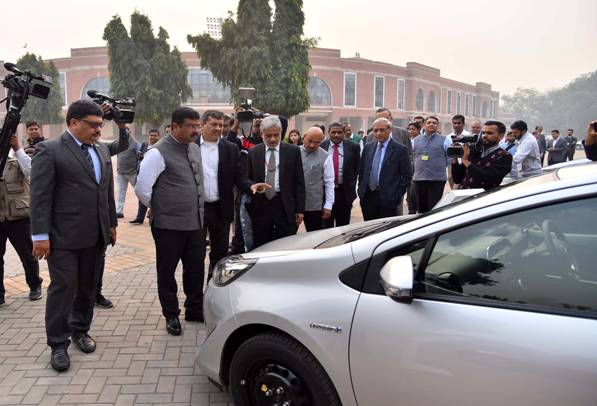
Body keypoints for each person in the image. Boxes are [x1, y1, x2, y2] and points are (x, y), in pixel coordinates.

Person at [30, 100, 117, 372]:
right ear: (73, 123)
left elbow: (106, 190)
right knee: (64, 287)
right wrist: (40, 236)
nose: (98, 130)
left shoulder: (101, 150)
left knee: (88, 287)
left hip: (96, 235)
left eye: (100, 125)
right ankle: (58, 344)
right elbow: (40, 196)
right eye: (93, 125)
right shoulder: (50, 150)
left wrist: (112, 223)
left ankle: (80, 330)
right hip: (63, 238)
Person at [135, 107, 207, 335]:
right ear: (175, 127)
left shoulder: (194, 148)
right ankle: (171, 314)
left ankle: (194, 309)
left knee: (195, 269)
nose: (196, 130)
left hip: (195, 223)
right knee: (166, 272)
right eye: (191, 126)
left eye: (198, 126)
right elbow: (142, 189)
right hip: (168, 226)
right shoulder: (157, 152)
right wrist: (160, 207)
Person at [196, 110, 269, 273]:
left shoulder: (230, 149)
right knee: (195, 254)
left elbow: (239, 177)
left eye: (221, 125)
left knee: (220, 255)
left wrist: (251, 186)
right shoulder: (190, 146)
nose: (218, 128)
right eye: (214, 124)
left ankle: (213, 289)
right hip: (196, 210)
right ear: (202, 125)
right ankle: (194, 297)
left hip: (221, 209)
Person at [246, 115, 305, 248]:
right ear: (261, 134)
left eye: (276, 135)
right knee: (262, 245)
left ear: (281, 133)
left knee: (286, 245)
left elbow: (299, 182)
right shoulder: (254, 153)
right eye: (268, 135)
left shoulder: (293, 151)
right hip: (261, 205)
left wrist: (300, 210)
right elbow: (248, 179)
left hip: (284, 206)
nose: (272, 139)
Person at [0, 135, 42, 306]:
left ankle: (34, 285)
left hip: (19, 216)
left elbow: (33, 173)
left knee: (27, 254)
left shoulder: (17, 158)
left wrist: (17, 149)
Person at [358, 118, 411, 220]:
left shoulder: (400, 149)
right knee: (370, 229)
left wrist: (397, 195)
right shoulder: (368, 147)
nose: (378, 133)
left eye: (382, 130)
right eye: (375, 130)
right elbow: (362, 171)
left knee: (386, 231)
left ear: (390, 130)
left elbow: (407, 175)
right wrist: (361, 191)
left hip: (389, 198)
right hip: (368, 197)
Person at [451, 121, 513, 190]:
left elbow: (489, 178)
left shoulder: (504, 156)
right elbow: (457, 179)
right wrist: (454, 159)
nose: (484, 136)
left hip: (483, 198)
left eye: (489, 133)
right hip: (463, 195)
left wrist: (466, 161)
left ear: (501, 136)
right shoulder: (475, 151)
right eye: (483, 133)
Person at [321, 122, 360, 228]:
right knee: (326, 226)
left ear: (344, 133)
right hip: (326, 192)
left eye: (339, 132)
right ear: (329, 133)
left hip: (344, 192)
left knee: (343, 227)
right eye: (333, 132)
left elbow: (356, 168)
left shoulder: (354, 147)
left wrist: (351, 185)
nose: (336, 135)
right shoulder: (321, 146)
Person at [300, 127, 334, 231]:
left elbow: (329, 182)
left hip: (314, 205)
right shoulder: (294, 152)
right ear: (304, 137)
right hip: (294, 204)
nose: (312, 145)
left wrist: (328, 205)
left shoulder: (326, 156)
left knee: (314, 236)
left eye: (317, 143)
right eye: (309, 141)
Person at [412, 116, 449, 213]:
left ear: (438, 126)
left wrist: (438, 166)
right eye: (429, 123)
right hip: (419, 179)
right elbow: (412, 157)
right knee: (421, 209)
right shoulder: (415, 140)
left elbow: (449, 158)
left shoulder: (445, 140)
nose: (431, 124)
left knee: (434, 209)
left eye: (434, 123)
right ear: (424, 125)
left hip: (437, 179)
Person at [129, 129, 162, 224]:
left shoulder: (161, 146)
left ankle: (155, 217)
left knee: (156, 196)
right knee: (142, 195)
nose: (152, 137)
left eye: (155, 135)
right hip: (144, 173)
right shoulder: (144, 145)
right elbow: (139, 156)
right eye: (151, 135)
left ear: (159, 136)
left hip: (156, 175)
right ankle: (139, 218)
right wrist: (141, 156)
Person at [115, 134, 140, 218]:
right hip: (121, 173)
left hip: (132, 173)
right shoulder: (119, 143)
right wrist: (118, 168)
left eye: (126, 132)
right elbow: (118, 156)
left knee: (139, 192)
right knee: (121, 193)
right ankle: (119, 211)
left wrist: (138, 170)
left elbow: (140, 157)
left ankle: (144, 212)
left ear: (129, 133)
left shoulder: (135, 143)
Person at [444, 115, 471, 188]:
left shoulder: (468, 136)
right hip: (452, 163)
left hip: (465, 163)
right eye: (455, 123)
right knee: (451, 179)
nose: (456, 125)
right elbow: (446, 150)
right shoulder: (448, 137)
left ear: (463, 124)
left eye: (459, 123)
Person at [406, 122, 421, 214]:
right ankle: (411, 210)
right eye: (409, 129)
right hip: (409, 170)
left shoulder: (421, 140)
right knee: (410, 193)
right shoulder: (408, 141)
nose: (410, 131)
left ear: (418, 130)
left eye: (413, 129)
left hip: (419, 171)